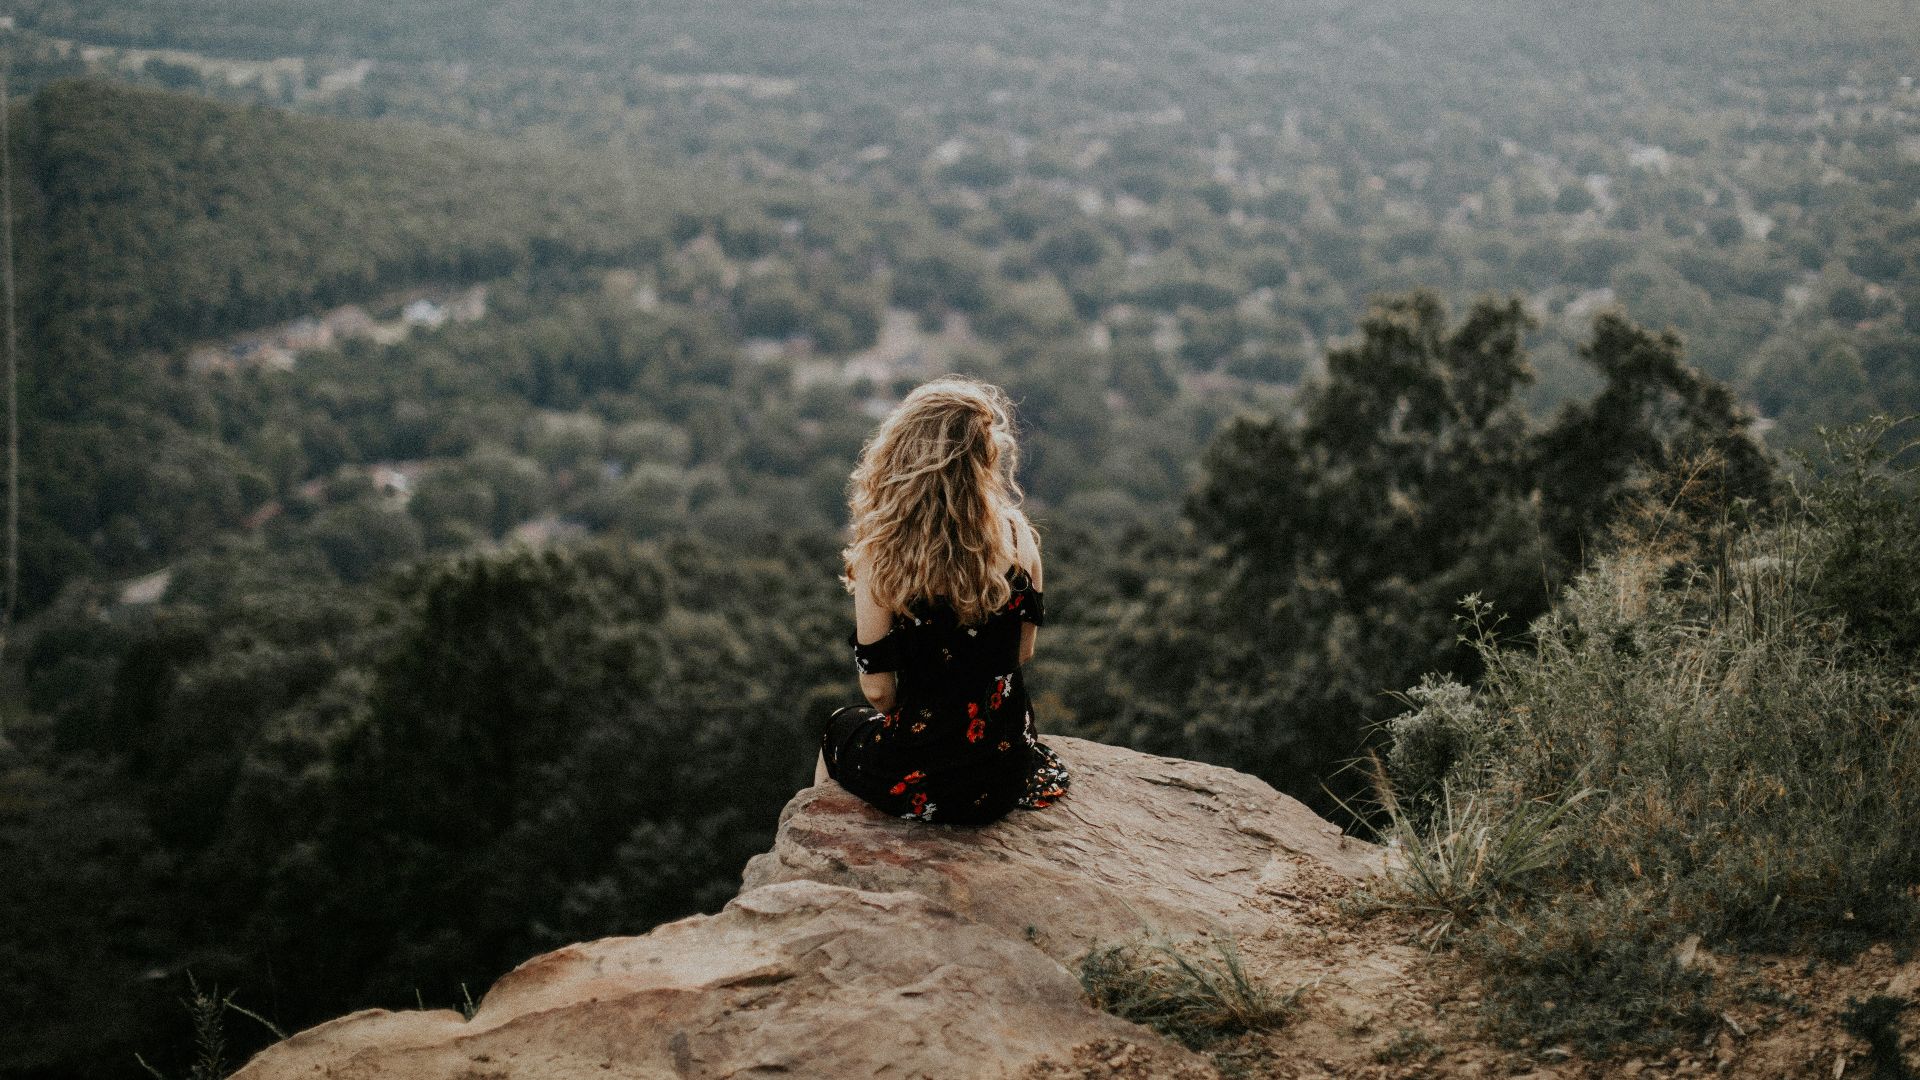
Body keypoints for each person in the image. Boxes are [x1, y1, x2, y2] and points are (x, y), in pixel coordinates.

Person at [814, 377, 1070, 825]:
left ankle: (821, 847)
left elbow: (877, 692)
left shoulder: (884, 551)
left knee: (836, 730)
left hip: (922, 772)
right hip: (1003, 773)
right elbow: (1022, 652)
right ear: (984, 459)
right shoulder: (1017, 535)